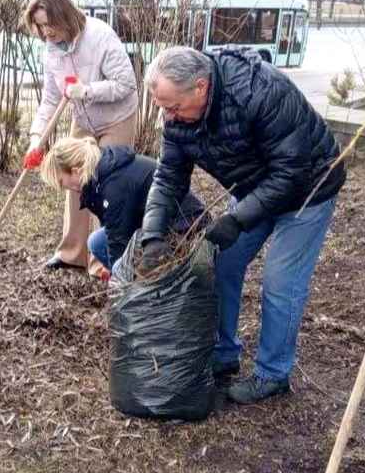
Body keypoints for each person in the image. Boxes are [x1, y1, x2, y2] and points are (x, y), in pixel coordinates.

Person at [140, 46, 346, 405]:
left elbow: (290, 173)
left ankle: (273, 373)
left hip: (309, 186)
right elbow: (169, 175)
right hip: (257, 186)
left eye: (173, 107)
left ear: (201, 87)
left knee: (280, 281)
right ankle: (223, 352)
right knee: (221, 262)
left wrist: (237, 219)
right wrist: (153, 232)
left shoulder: (260, 91)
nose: (168, 116)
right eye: (163, 108)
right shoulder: (177, 117)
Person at [21, 0, 139, 276]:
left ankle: (104, 259)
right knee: (73, 181)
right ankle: (72, 252)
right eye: (40, 26)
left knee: (106, 182)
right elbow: (50, 98)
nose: (45, 32)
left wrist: (86, 91)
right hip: (83, 119)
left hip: (116, 116)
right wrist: (36, 138)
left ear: (65, 15)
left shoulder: (100, 36)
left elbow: (126, 84)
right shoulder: (51, 51)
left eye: (49, 24)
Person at [39, 137, 204, 280]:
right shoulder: (100, 174)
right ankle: (137, 282)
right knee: (96, 242)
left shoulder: (113, 184)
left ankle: (142, 291)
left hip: (183, 227)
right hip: (149, 224)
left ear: (75, 171)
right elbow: (113, 228)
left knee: (119, 268)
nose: (65, 188)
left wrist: (116, 277)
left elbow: (119, 240)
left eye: (62, 182)